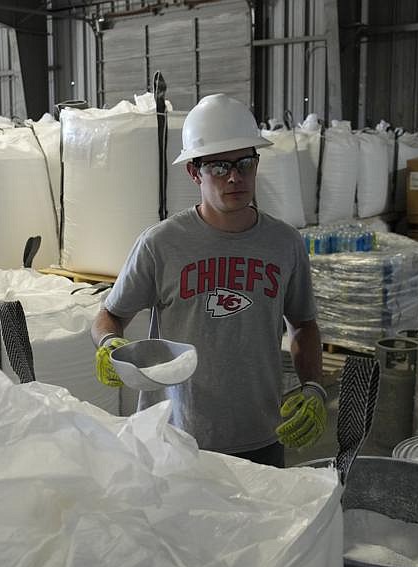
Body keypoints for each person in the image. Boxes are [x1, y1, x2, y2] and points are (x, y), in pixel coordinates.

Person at [90, 93, 326, 467]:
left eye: (245, 163)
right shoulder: (161, 244)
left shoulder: (284, 243)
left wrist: (313, 386)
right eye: (218, 166)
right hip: (173, 435)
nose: (235, 177)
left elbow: (304, 326)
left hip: (261, 432)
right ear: (193, 172)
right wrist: (108, 343)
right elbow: (110, 316)